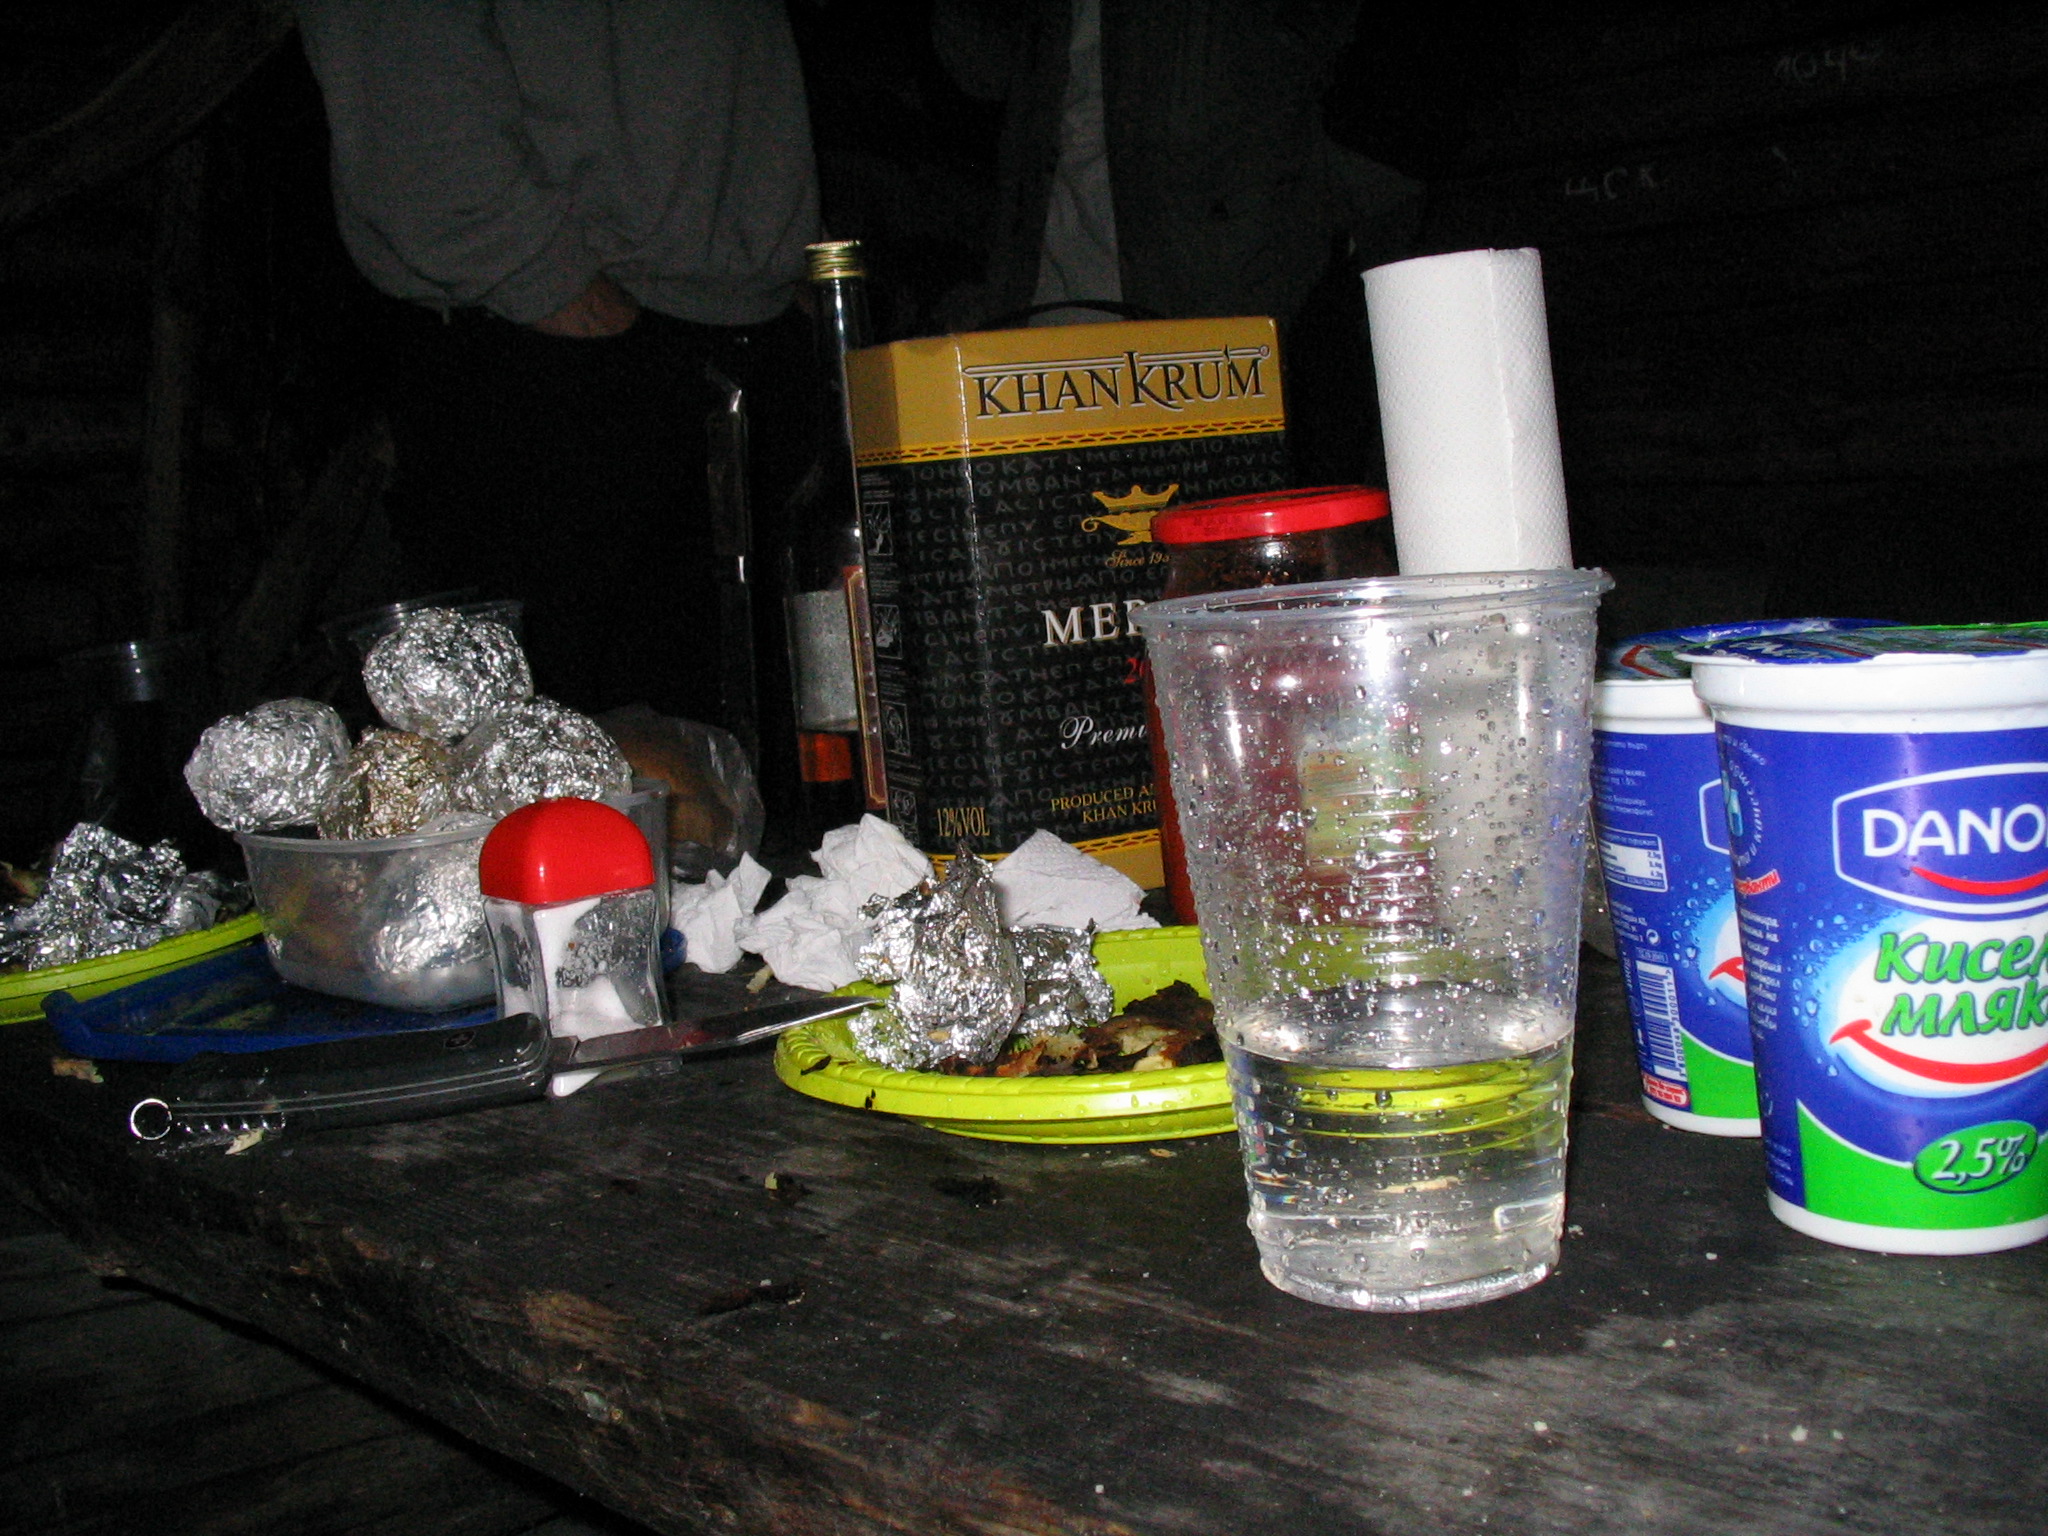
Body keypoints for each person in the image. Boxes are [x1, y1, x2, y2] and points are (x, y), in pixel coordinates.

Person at [294, 0, 822, 723]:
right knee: (566, 758)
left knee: (753, 748)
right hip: (562, 344)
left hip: (740, 333)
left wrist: (788, 256)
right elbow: (396, 63)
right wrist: (543, 278)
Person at [931, 0, 1423, 484]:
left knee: (1225, 495)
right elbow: (982, 70)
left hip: (1219, 289)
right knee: (1079, 503)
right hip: (1053, 290)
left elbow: (1364, 73)